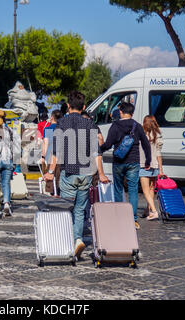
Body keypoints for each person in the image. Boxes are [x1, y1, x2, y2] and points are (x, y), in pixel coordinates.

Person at [44, 91, 109, 260]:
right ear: (84, 107)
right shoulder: (90, 124)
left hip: (69, 171)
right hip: (86, 173)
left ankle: (69, 242)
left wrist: (50, 172)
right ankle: (78, 239)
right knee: (80, 210)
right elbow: (97, 152)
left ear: (67, 106)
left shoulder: (62, 123)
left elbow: (56, 152)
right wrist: (101, 174)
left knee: (67, 209)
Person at [100, 102, 151, 230]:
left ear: (121, 112)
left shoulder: (115, 126)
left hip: (118, 162)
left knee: (118, 188)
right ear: (132, 113)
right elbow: (146, 144)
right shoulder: (137, 126)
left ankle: (119, 217)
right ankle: (133, 219)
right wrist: (148, 160)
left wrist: (99, 149)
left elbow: (108, 143)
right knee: (133, 190)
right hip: (133, 162)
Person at [139, 115, 164, 221]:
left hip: (143, 165)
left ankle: (154, 211)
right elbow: (159, 153)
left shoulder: (141, 134)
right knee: (151, 189)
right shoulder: (157, 134)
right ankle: (148, 210)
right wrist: (161, 169)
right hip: (155, 165)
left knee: (145, 191)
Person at [40, 109, 63, 195]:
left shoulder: (48, 129)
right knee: (59, 178)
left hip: (50, 157)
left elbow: (45, 144)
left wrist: (43, 157)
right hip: (61, 157)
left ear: (52, 117)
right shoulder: (62, 128)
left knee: (51, 181)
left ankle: (53, 195)